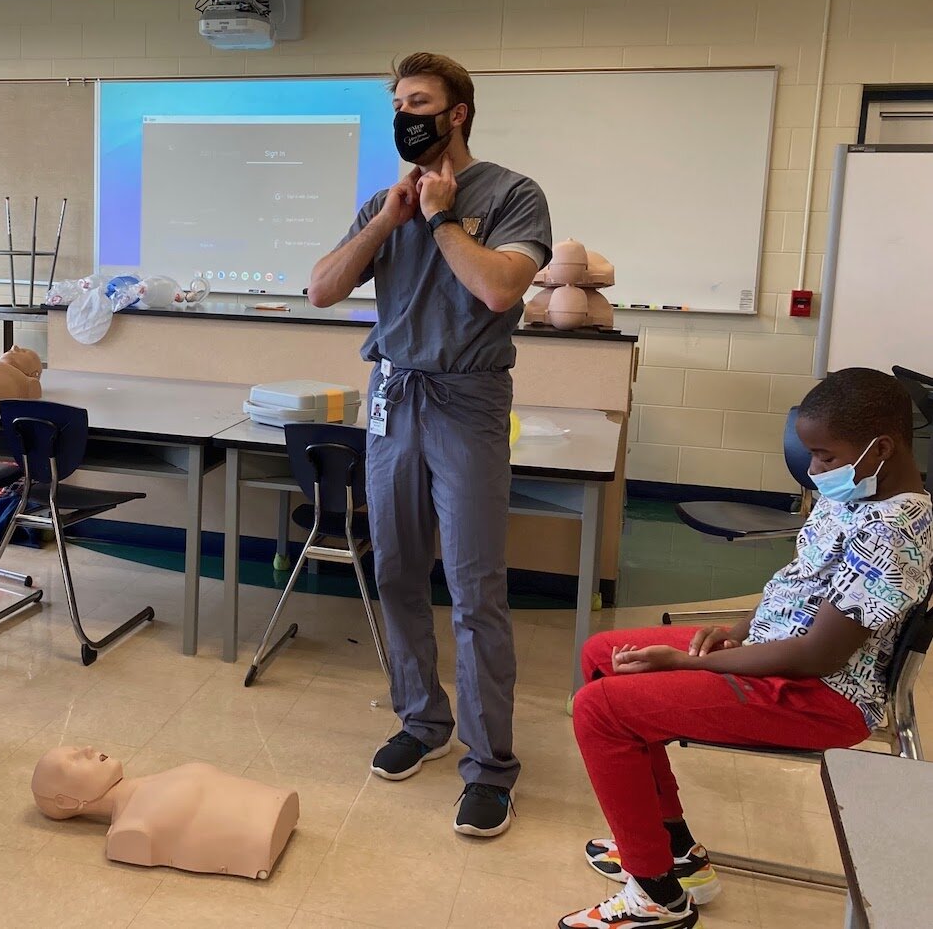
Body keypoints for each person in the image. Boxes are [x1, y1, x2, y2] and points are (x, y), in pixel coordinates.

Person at [561, 368, 932, 929]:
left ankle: (658, 895)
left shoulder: (893, 533)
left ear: (880, 448)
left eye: (824, 456)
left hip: (819, 695)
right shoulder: (861, 490)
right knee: (603, 655)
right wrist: (736, 630)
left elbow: (817, 657)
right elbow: (799, 585)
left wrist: (689, 661)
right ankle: (676, 851)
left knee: (601, 710)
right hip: (777, 652)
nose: (814, 470)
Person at [307, 52, 552, 836]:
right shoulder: (385, 201)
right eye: (396, 103)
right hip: (392, 397)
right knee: (398, 571)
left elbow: (498, 288)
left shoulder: (513, 194)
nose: (403, 115)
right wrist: (391, 217)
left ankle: (489, 764)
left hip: (467, 400)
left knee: (475, 587)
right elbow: (321, 289)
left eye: (418, 102)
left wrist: (443, 217)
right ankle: (420, 721)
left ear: (457, 113)